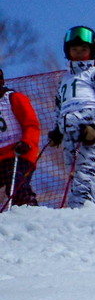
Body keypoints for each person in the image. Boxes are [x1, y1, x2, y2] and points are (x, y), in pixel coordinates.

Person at [46, 26, 95, 207]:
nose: (79, 54)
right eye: (75, 50)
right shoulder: (64, 80)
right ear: (68, 51)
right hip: (68, 131)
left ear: (92, 51)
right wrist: (57, 130)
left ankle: (80, 211)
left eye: (84, 50)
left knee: (86, 172)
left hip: (88, 130)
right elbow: (59, 107)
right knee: (75, 175)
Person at [0, 66, 42, 207]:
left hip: (18, 152)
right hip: (1, 155)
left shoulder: (13, 98)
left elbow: (31, 123)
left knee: (16, 183)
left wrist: (27, 141)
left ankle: (28, 210)